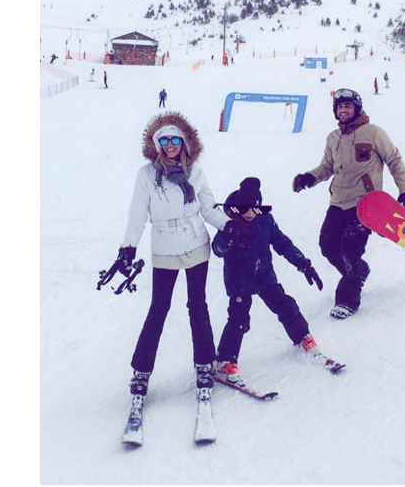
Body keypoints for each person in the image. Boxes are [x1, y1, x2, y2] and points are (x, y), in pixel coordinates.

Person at [119, 113, 230, 412]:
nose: (170, 145)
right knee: (159, 308)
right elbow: (137, 215)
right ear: (157, 144)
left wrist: (228, 225)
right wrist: (128, 247)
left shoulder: (196, 171)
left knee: (198, 305)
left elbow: (207, 208)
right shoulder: (146, 175)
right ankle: (141, 371)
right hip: (165, 246)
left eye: (175, 140)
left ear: (184, 142)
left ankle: (205, 362)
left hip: (195, 243)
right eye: (164, 140)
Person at [292, 88, 405, 320]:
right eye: (339, 107)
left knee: (350, 250)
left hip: (365, 205)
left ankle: (347, 299)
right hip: (338, 201)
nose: (343, 110)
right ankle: (357, 271)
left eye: (347, 106)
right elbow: (327, 167)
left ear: (356, 108)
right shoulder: (333, 138)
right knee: (327, 246)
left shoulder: (374, 132)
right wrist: (309, 177)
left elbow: (394, 160)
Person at [212, 178, 327, 383]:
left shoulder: (265, 220)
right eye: (244, 209)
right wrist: (227, 237)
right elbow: (217, 250)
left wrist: (304, 264)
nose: (249, 214)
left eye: (254, 209)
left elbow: (282, 243)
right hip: (239, 280)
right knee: (239, 319)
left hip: (264, 275)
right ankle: (224, 361)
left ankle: (302, 337)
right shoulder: (228, 222)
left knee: (285, 305)